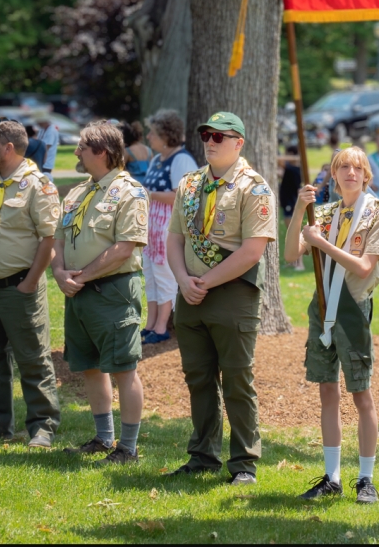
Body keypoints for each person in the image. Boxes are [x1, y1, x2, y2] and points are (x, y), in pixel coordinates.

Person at [166, 111, 277, 485]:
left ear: (238, 143)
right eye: (206, 136)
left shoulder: (254, 188)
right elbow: (174, 239)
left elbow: (252, 251)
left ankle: (244, 463)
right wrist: (183, 280)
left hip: (233, 294)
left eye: (219, 136)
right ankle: (202, 456)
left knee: (236, 379)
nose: (210, 142)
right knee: (198, 377)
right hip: (190, 293)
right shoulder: (189, 184)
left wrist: (203, 282)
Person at [285, 146, 379, 504]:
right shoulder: (325, 213)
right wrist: (300, 210)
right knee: (327, 392)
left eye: (357, 167)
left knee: (361, 394)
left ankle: (366, 479)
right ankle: (331, 477)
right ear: (333, 175)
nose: (350, 172)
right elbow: (290, 254)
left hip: (352, 310)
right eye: (343, 167)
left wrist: (321, 244)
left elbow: (363, 268)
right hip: (321, 309)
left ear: (367, 175)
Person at [52, 121, 148, 465]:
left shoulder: (130, 192)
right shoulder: (77, 192)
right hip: (78, 293)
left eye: (81, 147)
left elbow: (125, 248)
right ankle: (103, 438)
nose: (76, 152)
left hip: (112, 292)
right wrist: (59, 272)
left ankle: (128, 448)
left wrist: (82, 277)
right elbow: (58, 239)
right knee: (90, 367)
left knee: (123, 369)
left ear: (102, 152)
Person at [0, 119, 61, 447]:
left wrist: (30, 283)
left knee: (33, 359)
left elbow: (49, 239)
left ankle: (43, 427)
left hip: (20, 289)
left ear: (7, 148)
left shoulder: (37, 186)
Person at [141, 110, 197, 345]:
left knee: (164, 275)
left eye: (153, 133)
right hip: (151, 226)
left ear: (166, 136)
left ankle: (162, 326)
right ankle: (150, 323)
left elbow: (181, 196)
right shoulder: (157, 159)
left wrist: (149, 194)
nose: (149, 137)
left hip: (168, 226)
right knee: (151, 275)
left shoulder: (181, 160)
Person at [279, 145, 304, 271]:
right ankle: (293, 262)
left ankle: (300, 264)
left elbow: (280, 162)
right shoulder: (291, 169)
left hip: (292, 203)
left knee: (295, 235)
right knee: (290, 235)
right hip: (287, 203)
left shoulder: (294, 169)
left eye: (287, 154)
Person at [118, 120, 153, 187]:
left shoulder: (127, 151)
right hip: (148, 185)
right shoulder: (149, 150)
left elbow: (119, 170)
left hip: (133, 186)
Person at [36, 114, 59, 181]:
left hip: (46, 163)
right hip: (40, 161)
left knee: (43, 181)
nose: (37, 123)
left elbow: (46, 147)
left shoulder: (51, 131)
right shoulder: (42, 129)